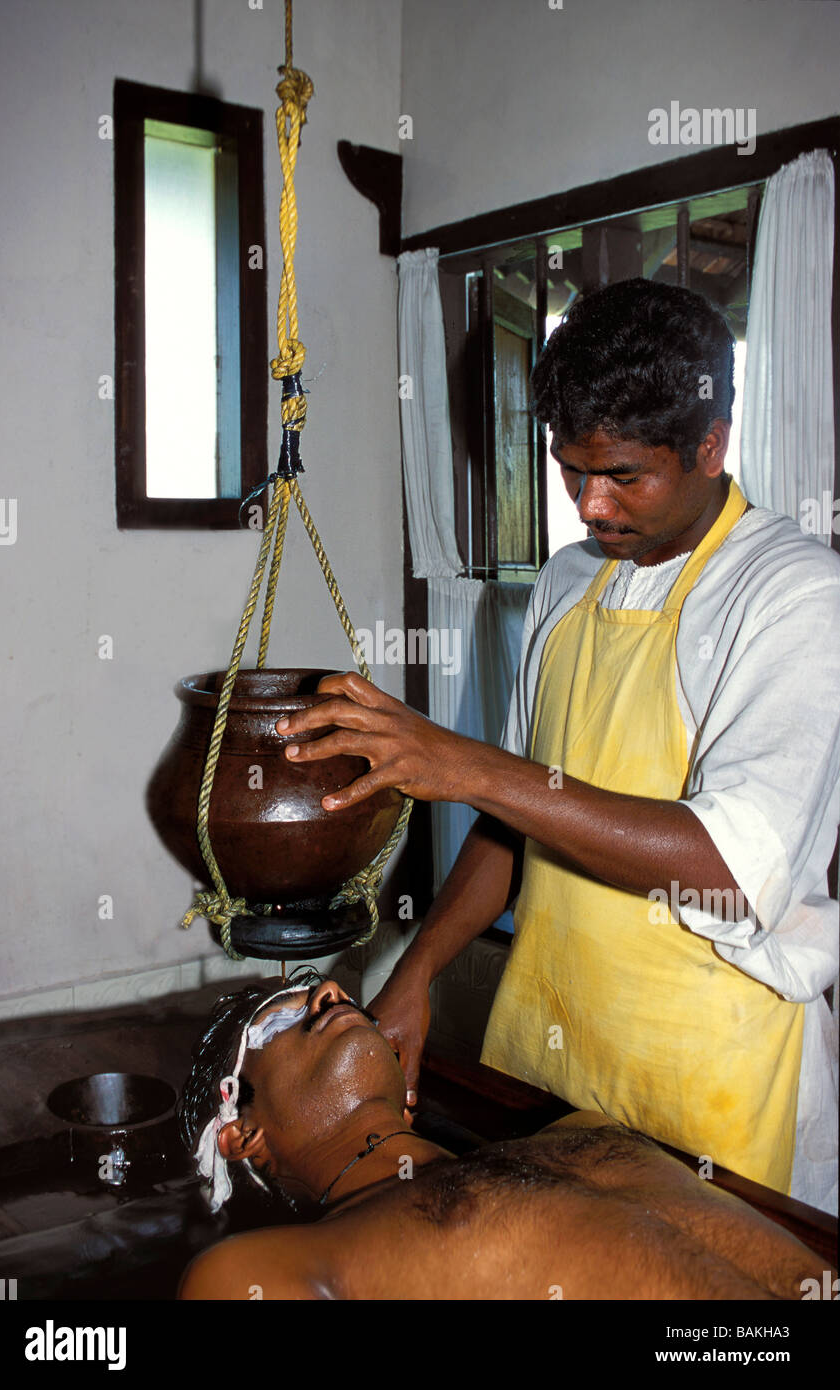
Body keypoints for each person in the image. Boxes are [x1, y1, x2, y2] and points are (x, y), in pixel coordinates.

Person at [272, 279, 840, 1214]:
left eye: (623, 474)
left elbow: (732, 868)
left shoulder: (791, 595)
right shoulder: (567, 581)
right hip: (550, 1039)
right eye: (569, 470)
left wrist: (465, 764)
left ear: (709, 446)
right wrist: (413, 975)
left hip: (709, 1075)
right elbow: (515, 823)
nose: (587, 504)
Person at [177, 975, 831, 1301]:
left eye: (322, 986)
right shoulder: (254, 1273)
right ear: (242, 1136)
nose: (329, 990)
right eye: (280, 1022)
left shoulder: (582, 1132)